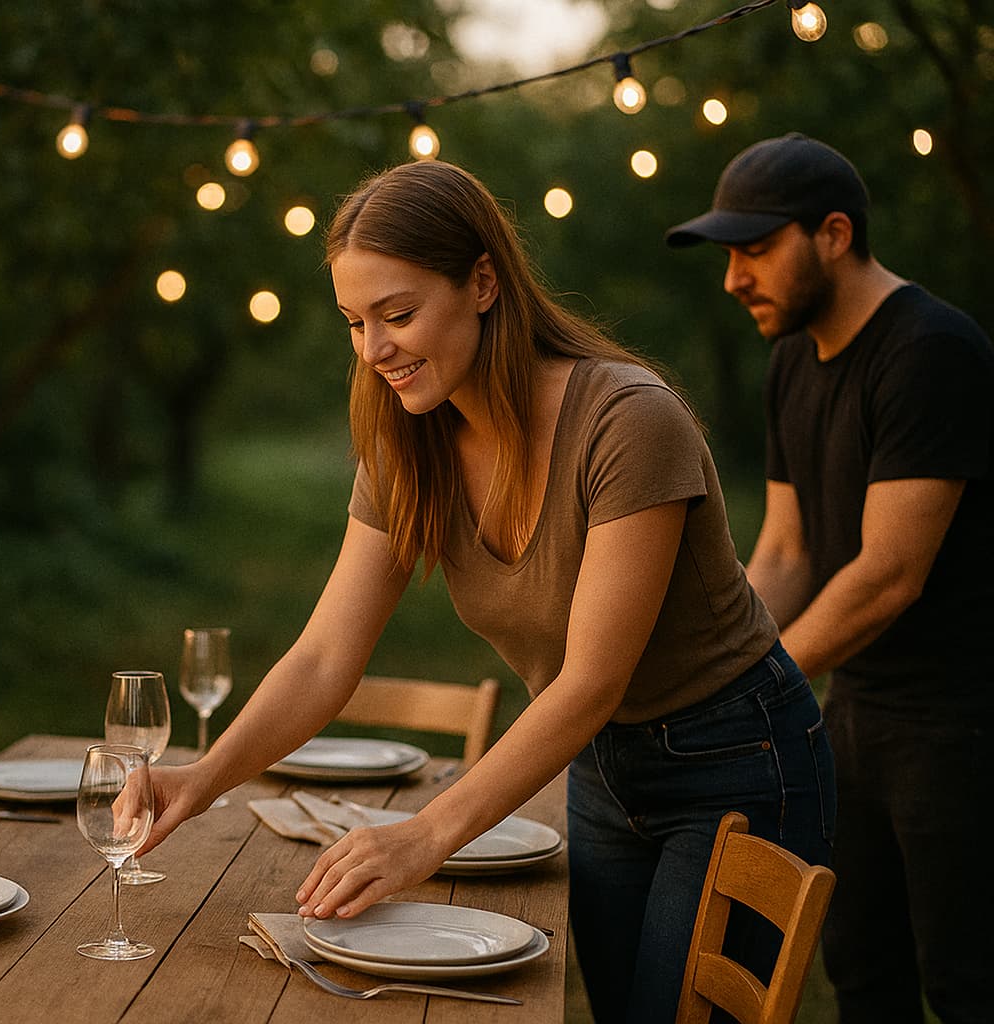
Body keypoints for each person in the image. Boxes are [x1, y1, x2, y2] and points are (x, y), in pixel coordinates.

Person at [142, 159, 834, 1023]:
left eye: (398, 315)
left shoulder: (628, 421)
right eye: (354, 323)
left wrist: (427, 835)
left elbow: (590, 681)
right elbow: (324, 658)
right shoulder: (408, 438)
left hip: (737, 756)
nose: (374, 349)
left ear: (482, 282)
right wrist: (201, 778)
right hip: (601, 764)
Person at [667, 132, 994, 1024]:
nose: (735, 278)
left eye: (756, 250)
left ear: (836, 235)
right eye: (730, 255)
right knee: (863, 974)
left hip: (958, 727)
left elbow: (889, 575)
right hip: (849, 714)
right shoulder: (792, 361)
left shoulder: (931, 351)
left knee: (969, 981)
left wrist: (754, 696)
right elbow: (786, 552)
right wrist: (711, 667)